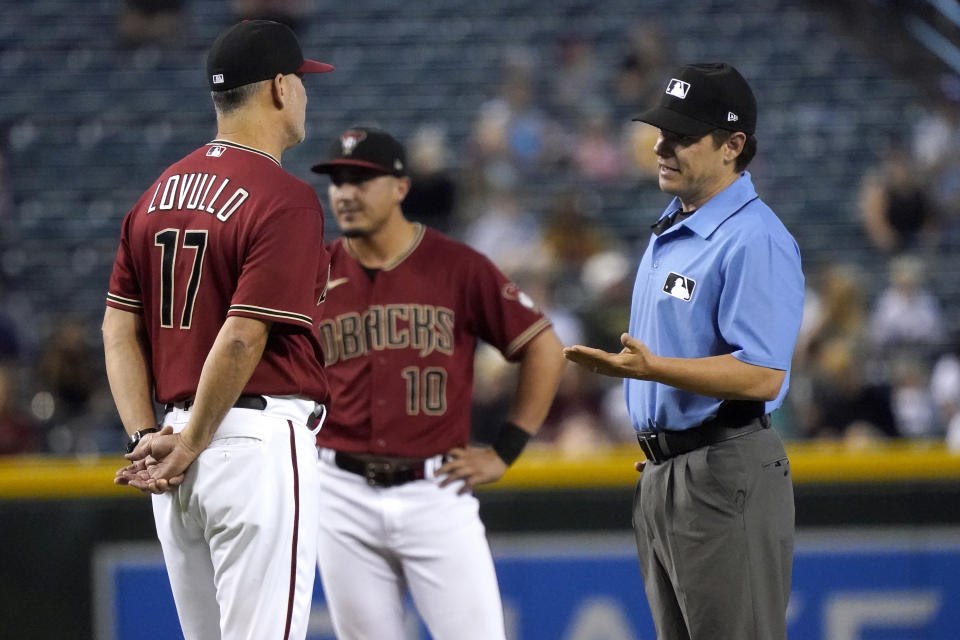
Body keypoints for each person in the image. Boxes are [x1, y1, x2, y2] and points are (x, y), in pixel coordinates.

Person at [103, 20, 334, 640]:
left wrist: (149, 433)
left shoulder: (154, 194)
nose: (307, 96)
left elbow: (118, 328)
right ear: (281, 88)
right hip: (246, 442)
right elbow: (241, 337)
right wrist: (193, 440)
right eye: (304, 83)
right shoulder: (284, 198)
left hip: (175, 449)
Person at [564, 63, 804, 640]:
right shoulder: (676, 223)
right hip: (664, 471)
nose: (660, 145)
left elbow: (764, 373)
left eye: (682, 135)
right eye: (660, 129)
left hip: (724, 467)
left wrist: (654, 370)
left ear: (733, 145)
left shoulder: (755, 237)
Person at [309, 126, 566, 640]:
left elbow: (543, 348)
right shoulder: (313, 270)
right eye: (337, 180)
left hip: (436, 487)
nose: (345, 193)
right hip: (338, 491)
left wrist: (505, 449)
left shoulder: (457, 266)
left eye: (361, 180)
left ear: (401, 187)